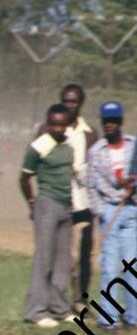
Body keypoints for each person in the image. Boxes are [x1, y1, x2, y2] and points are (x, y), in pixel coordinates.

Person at [20, 104, 76, 329]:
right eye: (54, 124)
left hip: (67, 206)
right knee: (44, 258)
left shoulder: (69, 144)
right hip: (47, 204)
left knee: (63, 261)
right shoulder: (38, 146)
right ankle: (36, 311)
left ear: (67, 124)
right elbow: (24, 178)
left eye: (62, 124)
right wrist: (31, 201)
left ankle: (60, 308)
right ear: (48, 123)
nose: (58, 128)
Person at [88, 100, 137, 329]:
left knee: (132, 267)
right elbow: (91, 186)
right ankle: (109, 318)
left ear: (120, 121)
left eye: (114, 120)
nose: (110, 124)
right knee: (109, 267)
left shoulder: (134, 145)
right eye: (106, 120)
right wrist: (101, 212)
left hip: (132, 210)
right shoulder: (96, 151)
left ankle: (133, 317)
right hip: (109, 210)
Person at [62, 84, 97, 313]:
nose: (69, 105)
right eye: (66, 101)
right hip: (60, 201)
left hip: (84, 204)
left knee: (82, 256)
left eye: (73, 101)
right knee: (60, 256)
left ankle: (80, 300)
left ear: (80, 103)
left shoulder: (90, 133)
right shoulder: (54, 128)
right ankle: (56, 301)